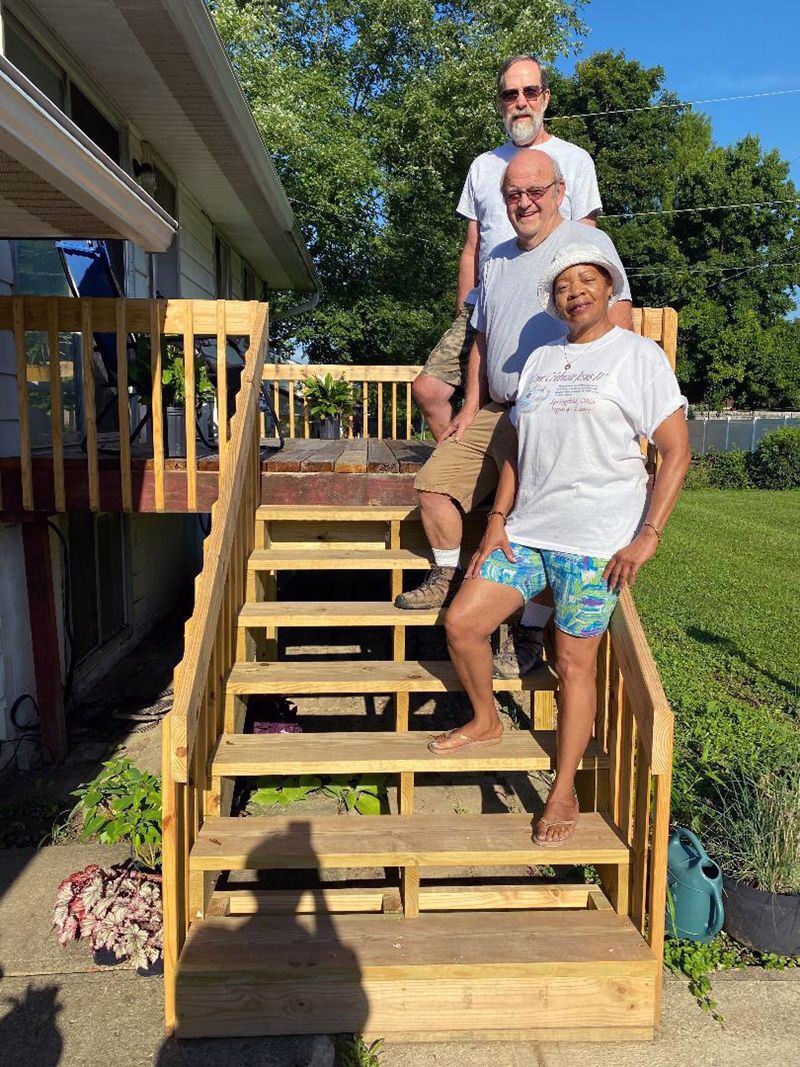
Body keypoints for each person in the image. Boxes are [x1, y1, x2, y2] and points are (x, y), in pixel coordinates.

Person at [430, 242, 691, 849]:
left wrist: (647, 535)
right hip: (527, 531)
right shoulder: (542, 360)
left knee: (574, 666)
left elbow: (676, 450)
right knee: (464, 624)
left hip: (596, 543)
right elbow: (520, 450)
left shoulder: (638, 357)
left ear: (609, 288)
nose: (575, 291)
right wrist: (498, 517)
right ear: (555, 301)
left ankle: (563, 788)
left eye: (587, 280)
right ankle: (487, 719)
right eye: (564, 285)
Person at [396, 148, 633, 680]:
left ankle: (527, 631)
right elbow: (480, 337)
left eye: (534, 192)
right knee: (434, 483)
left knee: (547, 524)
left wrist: (604, 400)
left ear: (559, 193)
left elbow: (619, 317)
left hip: (557, 411)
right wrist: (471, 402)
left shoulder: (587, 244)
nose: (523, 203)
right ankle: (447, 575)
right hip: (498, 407)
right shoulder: (497, 257)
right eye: (513, 195)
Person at [412, 53, 602, 443]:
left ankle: (508, 479)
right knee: (429, 390)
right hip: (485, 304)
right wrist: (464, 310)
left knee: (531, 400)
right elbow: (472, 246)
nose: (520, 101)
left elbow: (585, 244)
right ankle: (471, 477)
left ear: (545, 98)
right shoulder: (483, 166)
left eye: (530, 91)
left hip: (544, 301)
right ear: (501, 103)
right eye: (510, 94)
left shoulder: (574, 160)